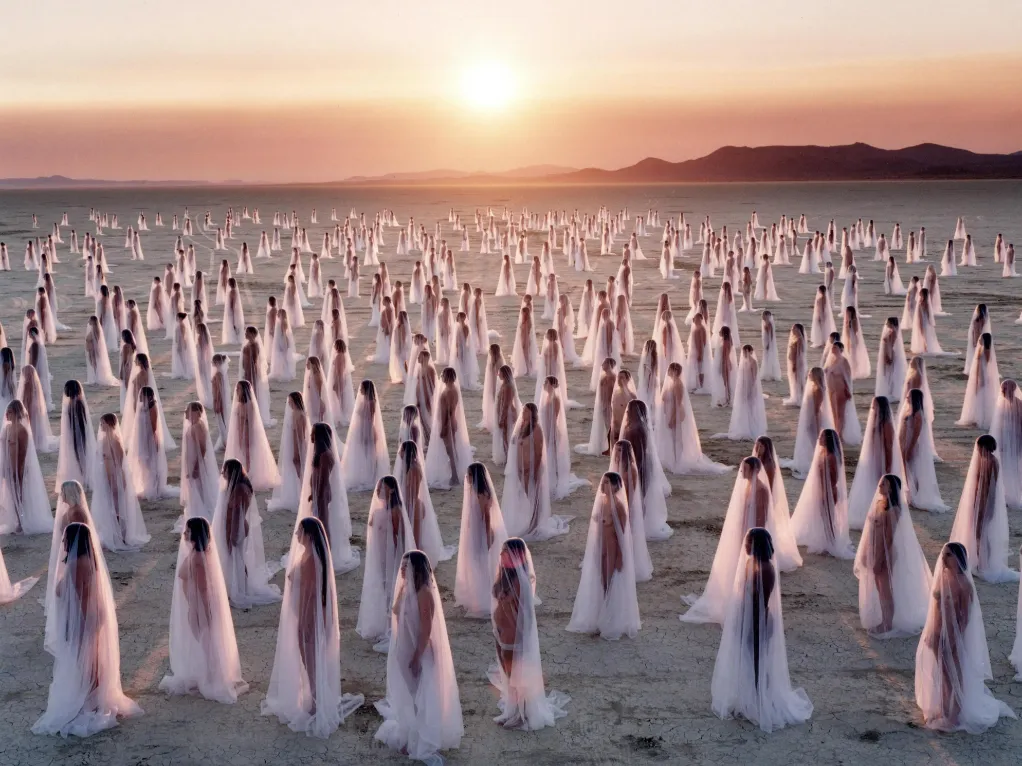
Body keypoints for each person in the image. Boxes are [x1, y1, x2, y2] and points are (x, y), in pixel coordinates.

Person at [32, 522, 143, 737]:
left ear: (73, 541)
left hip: (85, 619)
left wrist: (84, 626)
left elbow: (81, 599)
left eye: (66, 539)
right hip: (91, 617)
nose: (63, 542)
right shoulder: (86, 560)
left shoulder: (76, 565)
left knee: (88, 662)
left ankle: (94, 702)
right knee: (92, 660)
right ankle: (97, 699)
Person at [262, 517, 364, 738]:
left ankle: (316, 703)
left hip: (308, 619)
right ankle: (314, 698)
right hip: (308, 617)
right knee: (310, 659)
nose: (296, 534)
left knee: (310, 660)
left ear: (308, 535)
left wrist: (306, 624)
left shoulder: (310, 561)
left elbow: (310, 597)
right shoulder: (312, 557)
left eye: (299, 531)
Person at [711, 528, 813, 733]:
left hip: (759, 622)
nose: (745, 546)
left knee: (758, 661)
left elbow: (760, 602)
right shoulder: (751, 563)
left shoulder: (765, 569)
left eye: (748, 543)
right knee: (747, 659)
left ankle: (759, 699)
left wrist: (751, 626)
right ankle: (748, 697)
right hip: (747, 620)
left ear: (755, 545)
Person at [682, 457, 798, 625]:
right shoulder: (748, 487)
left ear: (755, 470)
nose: (742, 471)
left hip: (751, 536)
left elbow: (762, 517)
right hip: (744, 534)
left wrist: (752, 538)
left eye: (746, 469)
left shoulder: (761, 490)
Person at [915, 542, 1017, 733]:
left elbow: (964, 617)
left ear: (958, 559)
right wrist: (932, 635)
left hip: (953, 635)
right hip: (937, 632)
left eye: (949, 556)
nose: (944, 559)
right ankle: (944, 708)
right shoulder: (944, 578)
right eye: (944, 555)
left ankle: (954, 713)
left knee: (953, 674)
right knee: (942, 673)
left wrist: (954, 640)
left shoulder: (964, 585)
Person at [374, 550, 463, 762]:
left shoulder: (425, 594)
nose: (402, 569)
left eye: (407, 566)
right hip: (404, 649)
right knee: (409, 695)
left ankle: (421, 739)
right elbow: (395, 610)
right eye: (402, 566)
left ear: (417, 569)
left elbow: (425, 629)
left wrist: (416, 656)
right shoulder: (407, 590)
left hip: (420, 652)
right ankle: (411, 735)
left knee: (420, 698)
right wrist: (402, 588)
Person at [160, 517, 248, 703]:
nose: (184, 533)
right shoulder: (196, 554)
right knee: (203, 642)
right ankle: (208, 674)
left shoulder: (198, 559)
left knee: (206, 642)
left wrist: (201, 612)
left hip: (201, 609)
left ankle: (210, 677)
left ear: (195, 534)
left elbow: (203, 589)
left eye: (187, 531)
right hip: (195, 607)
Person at [489, 538, 570, 729]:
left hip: (513, 637)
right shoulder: (504, 576)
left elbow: (526, 616)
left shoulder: (520, 582)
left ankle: (522, 714)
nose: (501, 555)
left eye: (505, 552)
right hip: (500, 634)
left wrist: (521, 641)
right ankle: (512, 710)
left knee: (517, 676)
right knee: (508, 677)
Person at [854, 476, 932, 638]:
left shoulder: (893, 511)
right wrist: (865, 553)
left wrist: (880, 559)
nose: (880, 485)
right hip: (874, 549)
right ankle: (884, 618)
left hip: (886, 553)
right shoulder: (878, 504)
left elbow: (889, 538)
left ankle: (887, 622)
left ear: (891, 488)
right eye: (881, 482)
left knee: (885, 589)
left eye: (884, 484)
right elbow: (870, 532)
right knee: (879, 587)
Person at [567, 472, 641, 640]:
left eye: (608, 482)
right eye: (604, 482)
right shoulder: (602, 503)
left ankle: (610, 620)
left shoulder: (620, 507)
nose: (604, 485)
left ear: (616, 486)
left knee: (609, 583)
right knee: (601, 582)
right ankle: (602, 617)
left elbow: (622, 535)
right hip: (601, 548)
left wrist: (621, 557)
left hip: (613, 548)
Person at [211, 459, 282, 608]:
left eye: (225, 472)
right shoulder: (238, 486)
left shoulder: (239, 490)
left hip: (236, 529)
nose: (223, 475)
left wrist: (232, 535)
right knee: (235, 558)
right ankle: (237, 585)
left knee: (236, 558)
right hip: (232, 527)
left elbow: (236, 514)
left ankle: (241, 588)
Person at [949, 435, 1019, 583]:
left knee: (981, 533)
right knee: (978, 532)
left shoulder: (991, 462)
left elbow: (990, 488)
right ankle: (981, 560)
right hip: (979, 502)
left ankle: (984, 562)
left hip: (985, 503)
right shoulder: (985, 461)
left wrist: (983, 506)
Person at [357, 476, 413, 651]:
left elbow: (398, 537)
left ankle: (393, 627)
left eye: (384, 487)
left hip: (392, 557)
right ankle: (385, 623)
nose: (380, 490)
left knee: (391, 590)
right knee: (382, 588)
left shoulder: (396, 510)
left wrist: (396, 560)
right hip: (380, 555)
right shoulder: (380, 510)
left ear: (392, 490)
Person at [296, 423, 360, 573]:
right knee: (319, 522)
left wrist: (318, 496)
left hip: (323, 495)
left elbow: (324, 480)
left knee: (323, 524)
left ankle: (326, 555)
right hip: (318, 494)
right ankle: (319, 551)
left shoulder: (326, 455)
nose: (310, 436)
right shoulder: (319, 454)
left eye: (313, 434)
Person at [502, 403, 570, 541]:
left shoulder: (536, 429)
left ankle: (536, 522)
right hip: (521, 470)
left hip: (531, 469)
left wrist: (535, 470)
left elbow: (539, 453)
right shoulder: (521, 427)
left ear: (532, 414)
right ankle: (531, 518)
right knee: (527, 495)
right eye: (524, 411)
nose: (524, 413)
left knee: (534, 494)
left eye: (526, 411)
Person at [89, 414, 149, 550]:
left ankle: (121, 535)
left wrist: (115, 480)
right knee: (107, 505)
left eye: (103, 423)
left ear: (109, 424)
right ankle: (111, 534)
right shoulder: (103, 440)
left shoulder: (115, 441)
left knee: (117, 506)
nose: (101, 426)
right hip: (105, 477)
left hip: (114, 477)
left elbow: (119, 463)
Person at [847, 396, 904, 529]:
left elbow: (889, 448)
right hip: (873, 462)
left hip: (882, 462)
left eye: (874, 407)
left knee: (880, 488)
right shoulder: (875, 423)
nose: (872, 409)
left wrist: (888, 467)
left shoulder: (887, 425)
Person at [0, 399, 53, 535]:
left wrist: (19, 470)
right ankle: (17, 520)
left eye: (9, 412)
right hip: (7, 467)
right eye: (7, 412)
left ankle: (22, 522)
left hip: (18, 467)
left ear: (16, 413)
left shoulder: (22, 430)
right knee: (12, 495)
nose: (7, 415)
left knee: (20, 495)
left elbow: (23, 452)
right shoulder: (7, 429)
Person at [224, 380, 280, 491]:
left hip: (247, 434)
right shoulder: (239, 405)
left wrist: (246, 437)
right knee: (241, 454)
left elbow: (250, 424)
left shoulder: (249, 406)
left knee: (248, 455)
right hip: (239, 433)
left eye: (239, 389)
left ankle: (249, 476)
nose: (237, 391)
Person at [425, 368, 473, 490]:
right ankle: (455, 472)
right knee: (453, 450)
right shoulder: (455, 390)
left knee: (450, 451)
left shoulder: (446, 392)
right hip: (453, 422)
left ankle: (455, 476)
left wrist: (443, 427)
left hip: (448, 423)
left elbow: (446, 412)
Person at [342, 380, 390, 491]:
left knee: (369, 453)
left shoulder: (371, 402)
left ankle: (370, 475)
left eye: (362, 388)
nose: (360, 390)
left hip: (367, 431)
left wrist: (366, 433)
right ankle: (364, 472)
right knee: (363, 453)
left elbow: (370, 419)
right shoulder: (364, 401)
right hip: (361, 430)